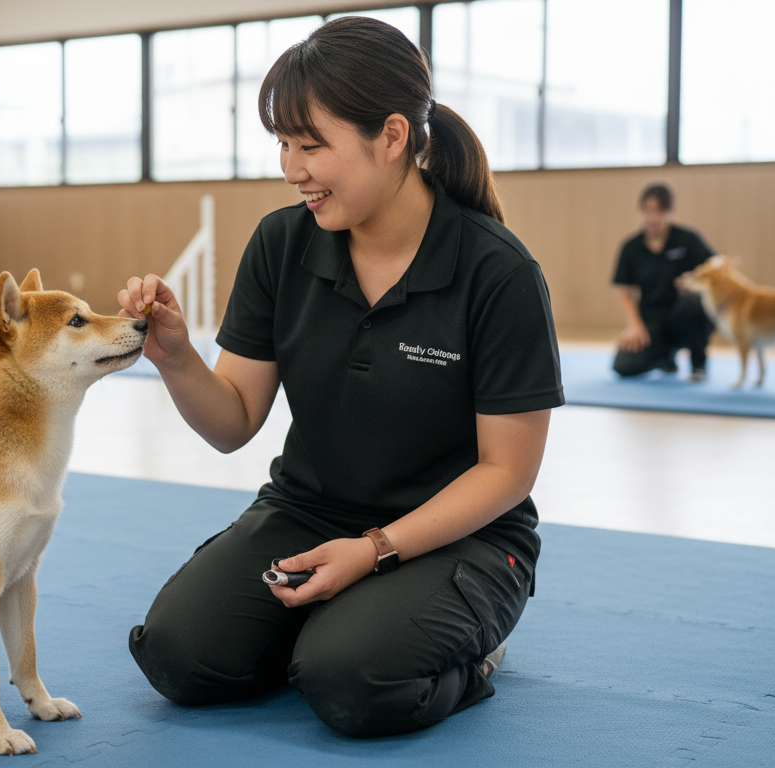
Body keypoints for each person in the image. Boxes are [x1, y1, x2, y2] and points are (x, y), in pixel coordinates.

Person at [117, 17, 563, 738]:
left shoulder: (498, 272)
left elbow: (507, 472)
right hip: (309, 512)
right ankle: (339, 629)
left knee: (352, 683)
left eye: (311, 144)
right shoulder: (281, 243)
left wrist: (372, 553)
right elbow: (232, 423)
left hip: (462, 538)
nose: (292, 168)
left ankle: (463, 654)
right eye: (283, 145)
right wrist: (175, 356)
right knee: (178, 660)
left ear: (391, 138)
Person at [612, 182, 716, 381]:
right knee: (623, 366)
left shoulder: (688, 239)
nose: (652, 218)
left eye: (659, 211)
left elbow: (716, 267)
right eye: (647, 211)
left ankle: (699, 362)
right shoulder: (631, 247)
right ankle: (664, 356)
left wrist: (695, 280)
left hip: (686, 317)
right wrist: (634, 326)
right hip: (652, 321)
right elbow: (624, 292)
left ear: (671, 211)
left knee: (693, 302)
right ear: (640, 211)